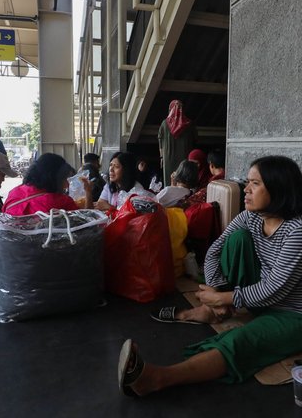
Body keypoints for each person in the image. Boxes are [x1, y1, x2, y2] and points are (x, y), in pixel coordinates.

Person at [118, 155, 302, 396]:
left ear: (278, 188)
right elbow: (215, 250)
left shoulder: (296, 231)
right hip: (259, 300)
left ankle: (155, 378)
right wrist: (216, 290)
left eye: (255, 184)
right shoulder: (251, 217)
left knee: (241, 341)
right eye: (248, 182)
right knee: (237, 240)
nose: (245, 189)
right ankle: (214, 310)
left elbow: (275, 288)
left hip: (292, 312)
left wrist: (226, 299)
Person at [2, 152, 92, 215]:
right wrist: (88, 192)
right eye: (64, 179)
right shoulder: (61, 202)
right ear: (53, 178)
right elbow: (87, 225)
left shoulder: (14, 192)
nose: (67, 185)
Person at [158, 100, 197, 187]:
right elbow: (195, 140)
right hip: (185, 156)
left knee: (169, 180)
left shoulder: (164, 123)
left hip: (168, 158)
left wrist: (161, 157)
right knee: (184, 177)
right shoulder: (189, 124)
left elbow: (160, 141)